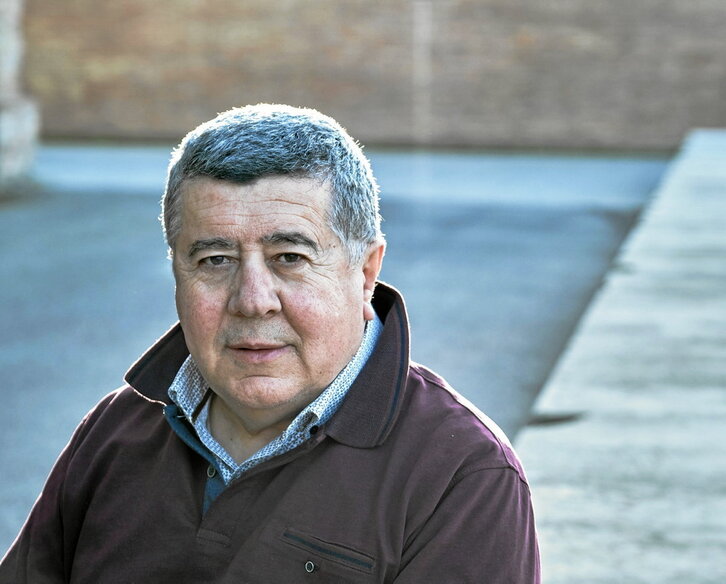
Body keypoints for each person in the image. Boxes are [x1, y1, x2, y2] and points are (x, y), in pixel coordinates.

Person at [0, 104, 540, 583]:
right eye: (215, 260)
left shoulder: (462, 475)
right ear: (177, 272)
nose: (253, 301)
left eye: (290, 258)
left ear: (365, 272)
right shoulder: (117, 428)